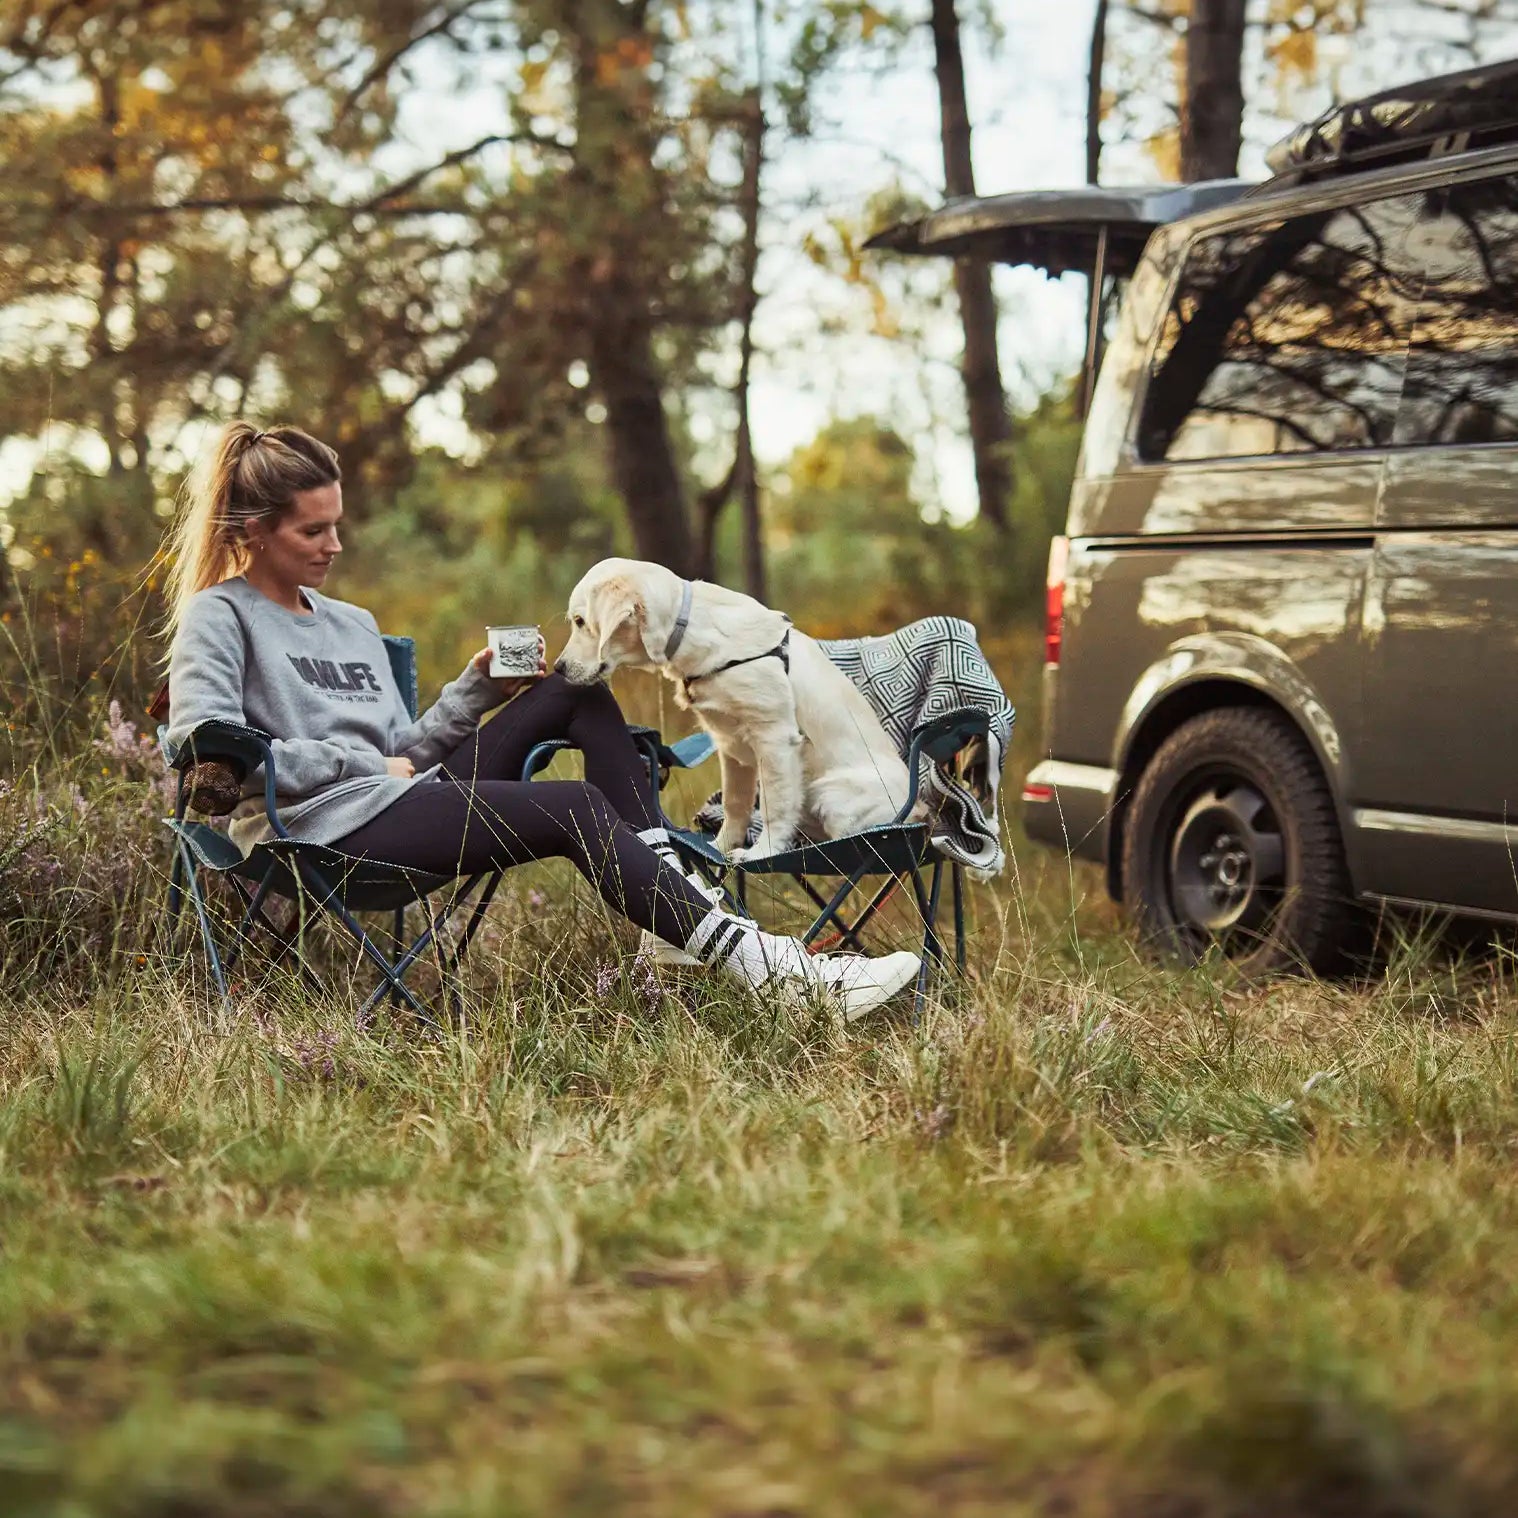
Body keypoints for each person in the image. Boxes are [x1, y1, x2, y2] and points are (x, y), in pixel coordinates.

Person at [162, 422, 922, 1018]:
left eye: (337, 524)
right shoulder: (219, 617)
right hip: (317, 829)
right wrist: (360, 767)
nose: (334, 545)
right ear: (253, 530)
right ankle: (782, 977)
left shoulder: (351, 623)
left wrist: (478, 689)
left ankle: (675, 916)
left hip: (400, 800)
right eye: (312, 532)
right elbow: (207, 749)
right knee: (573, 807)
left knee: (575, 692)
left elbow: (405, 749)